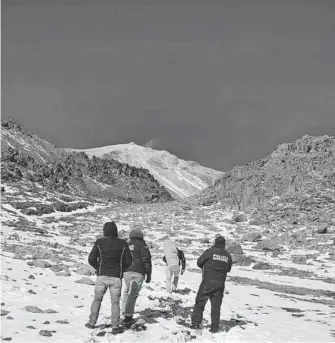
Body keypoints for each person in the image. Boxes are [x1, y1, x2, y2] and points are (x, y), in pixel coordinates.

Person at [86, 221, 132, 335]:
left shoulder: (99, 242)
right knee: (115, 303)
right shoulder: (123, 243)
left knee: (97, 299)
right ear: (115, 230)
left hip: (102, 276)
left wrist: (99, 267)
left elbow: (91, 259)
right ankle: (115, 326)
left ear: (105, 231)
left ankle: (91, 323)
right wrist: (122, 269)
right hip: (116, 277)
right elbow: (129, 261)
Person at [190, 235, 232, 333]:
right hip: (220, 284)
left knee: (200, 303)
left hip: (207, 282)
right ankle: (214, 328)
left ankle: (196, 324)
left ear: (215, 242)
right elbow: (228, 268)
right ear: (224, 244)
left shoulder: (209, 251)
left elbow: (199, 262)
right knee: (216, 308)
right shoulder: (227, 255)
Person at [122, 228, 152, 327]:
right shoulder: (143, 245)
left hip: (127, 271)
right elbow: (146, 260)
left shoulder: (127, 244)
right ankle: (128, 316)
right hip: (138, 272)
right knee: (133, 293)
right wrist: (148, 274)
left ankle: (125, 311)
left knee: (127, 291)